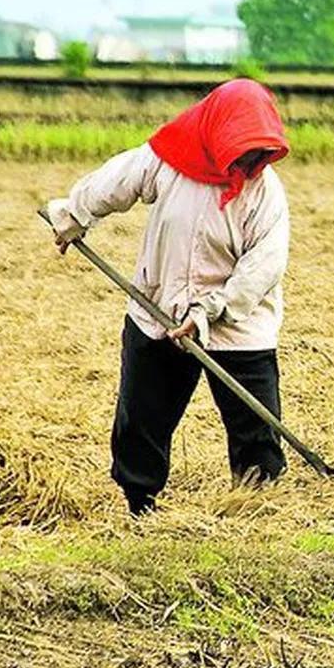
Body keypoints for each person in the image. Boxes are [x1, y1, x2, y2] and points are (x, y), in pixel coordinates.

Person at [45, 79, 292, 517]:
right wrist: (73, 214)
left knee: (256, 429)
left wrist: (210, 311)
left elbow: (263, 267)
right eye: (243, 149)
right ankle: (140, 504)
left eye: (259, 151)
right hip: (158, 311)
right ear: (219, 133)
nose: (250, 161)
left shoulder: (265, 192)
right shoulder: (170, 157)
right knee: (143, 418)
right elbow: (114, 183)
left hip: (237, 324)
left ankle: (258, 508)